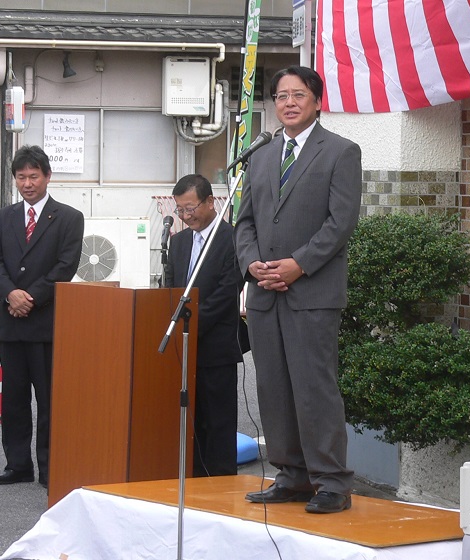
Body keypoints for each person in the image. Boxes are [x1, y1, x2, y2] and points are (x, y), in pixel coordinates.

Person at [235, 65, 362, 513]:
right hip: (266, 292)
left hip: (312, 293)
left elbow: (340, 223)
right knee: (273, 386)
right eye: (281, 96)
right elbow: (245, 220)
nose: (288, 102)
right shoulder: (263, 154)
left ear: (317, 101)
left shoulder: (341, 152)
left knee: (314, 387)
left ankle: (331, 481)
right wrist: (253, 265)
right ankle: (291, 474)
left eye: (298, 94)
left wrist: (297, 265)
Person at [0, 145, 84, 489]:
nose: (28, 183)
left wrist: (30, 297)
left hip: (46, 324)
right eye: (22, 177)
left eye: (34, 176)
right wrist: (10, 294)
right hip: (10, 322)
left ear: (47, 177)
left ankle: (50, 466)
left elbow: (65, 266)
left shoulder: (69, 217)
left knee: (48, 400)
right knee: (13, 400)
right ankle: (17, 465)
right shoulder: (3, 217)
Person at [165, 174, 244, 477]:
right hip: (183, 349)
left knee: (218, 420)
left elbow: (227, 291)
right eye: (180, 211)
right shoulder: (179, 241)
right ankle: (193, 478)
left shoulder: (233, 238)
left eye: (191, 208)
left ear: (211, 202)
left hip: (216, 345)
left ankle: (221, 481)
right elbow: (172, 287)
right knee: (190, 420)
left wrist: (191, 326)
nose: (186, 217)